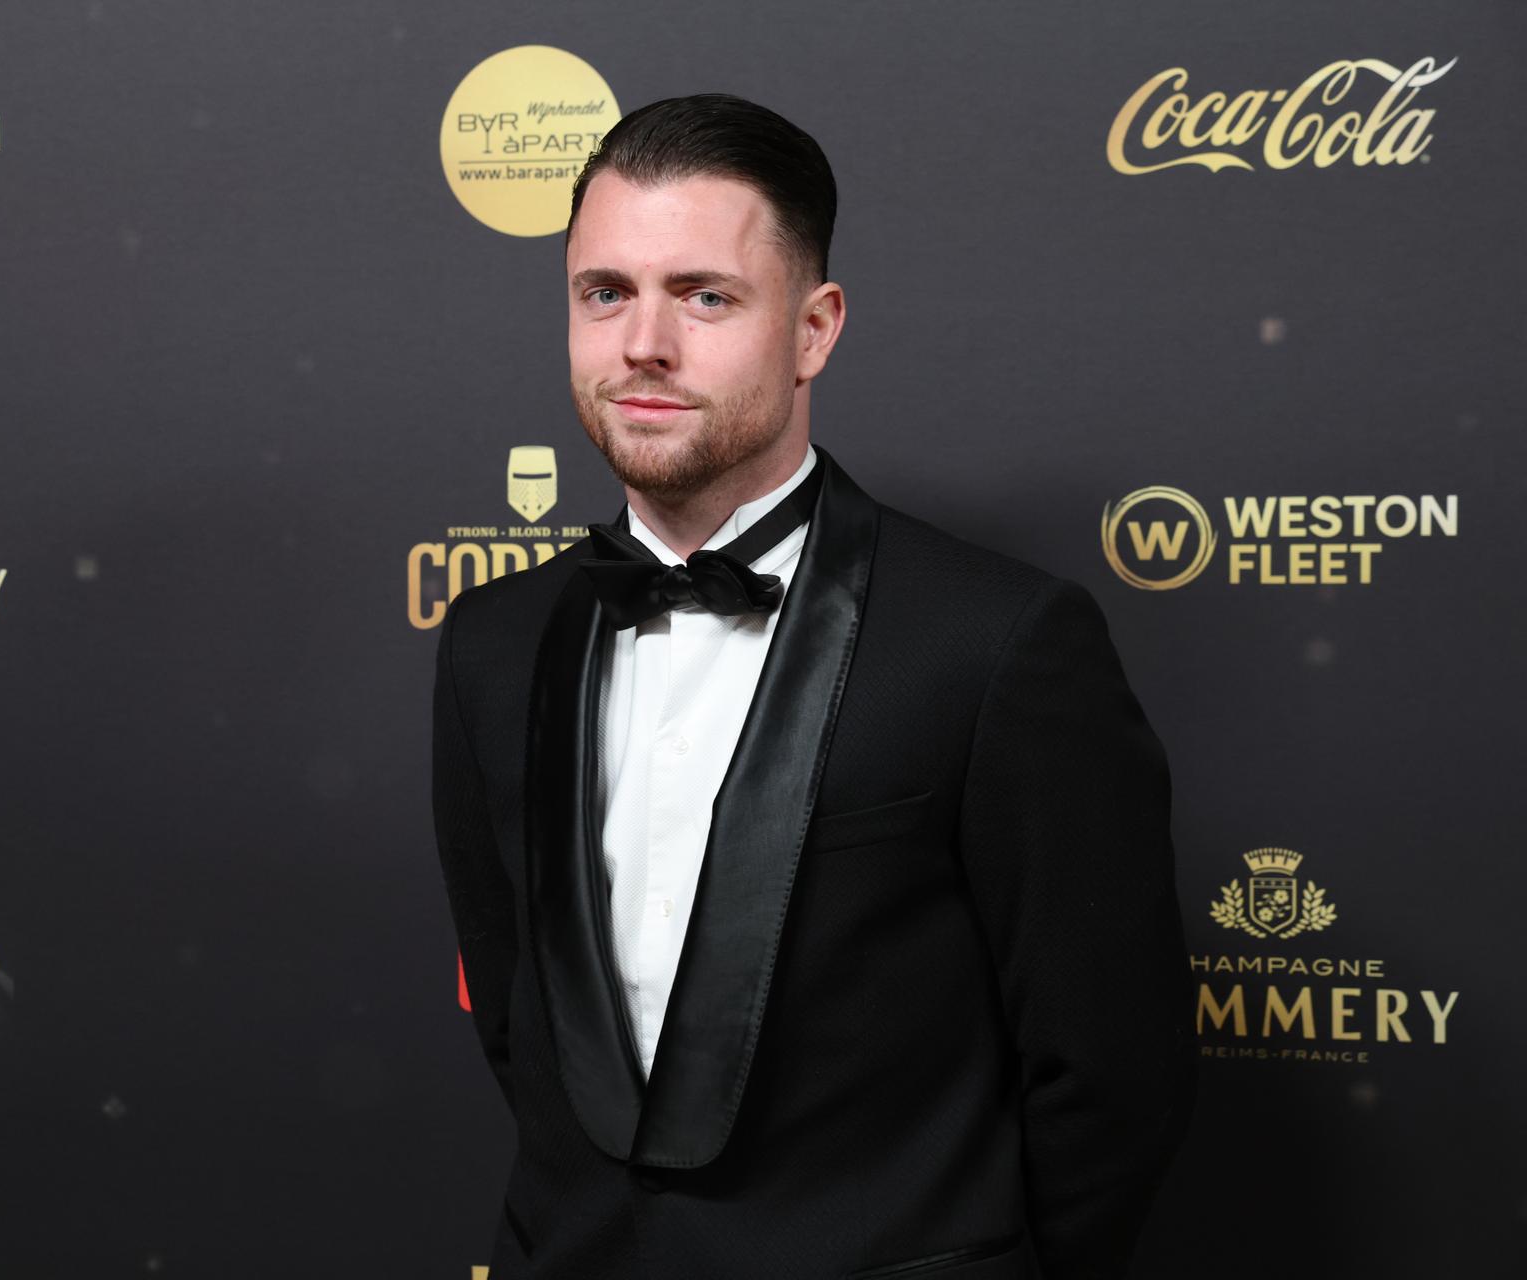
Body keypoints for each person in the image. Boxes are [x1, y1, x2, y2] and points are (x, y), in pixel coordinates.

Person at [430, 93, 1196, 1280]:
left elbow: (1109, 1074)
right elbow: (522, 1032)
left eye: (706, 295)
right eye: (605, 293)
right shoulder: (491, 644)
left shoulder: (997, 644)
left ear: (815, 329)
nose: (644, 343)